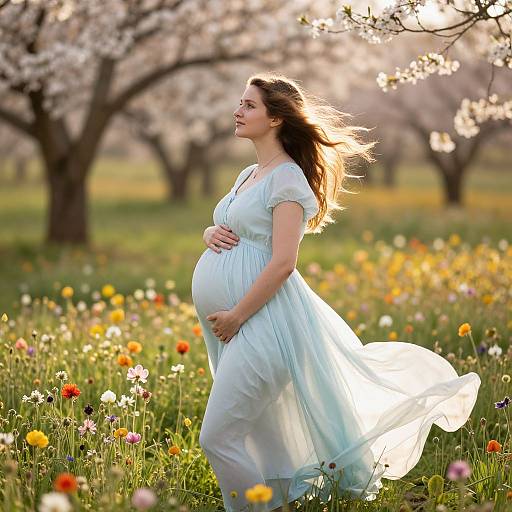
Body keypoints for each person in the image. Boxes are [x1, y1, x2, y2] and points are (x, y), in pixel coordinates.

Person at [191, 72, 481, 512]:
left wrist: (237, 315)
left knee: (218, 437)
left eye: (249, 105)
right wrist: (211, 230)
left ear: (275, 119)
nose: (238, 110)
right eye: (241, 103)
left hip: (262, 323)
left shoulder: (286, 179)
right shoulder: (250, 173)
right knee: (252, 436)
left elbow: (284, 262)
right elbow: (236, 227)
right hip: (238, 326)